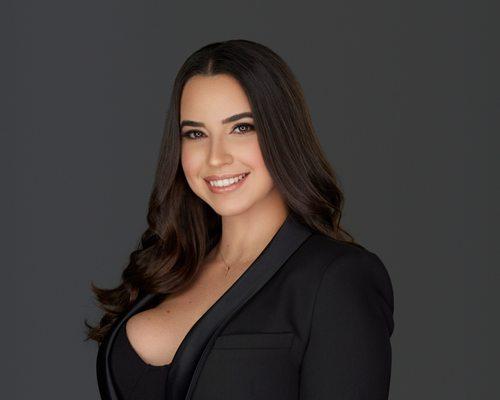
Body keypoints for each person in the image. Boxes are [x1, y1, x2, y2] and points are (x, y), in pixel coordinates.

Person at [85, 39, 395, 400]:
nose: (216, 157)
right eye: (196, 134)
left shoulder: (338, 278)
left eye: (241, 128)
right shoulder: (168, 267)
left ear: (282, 133)